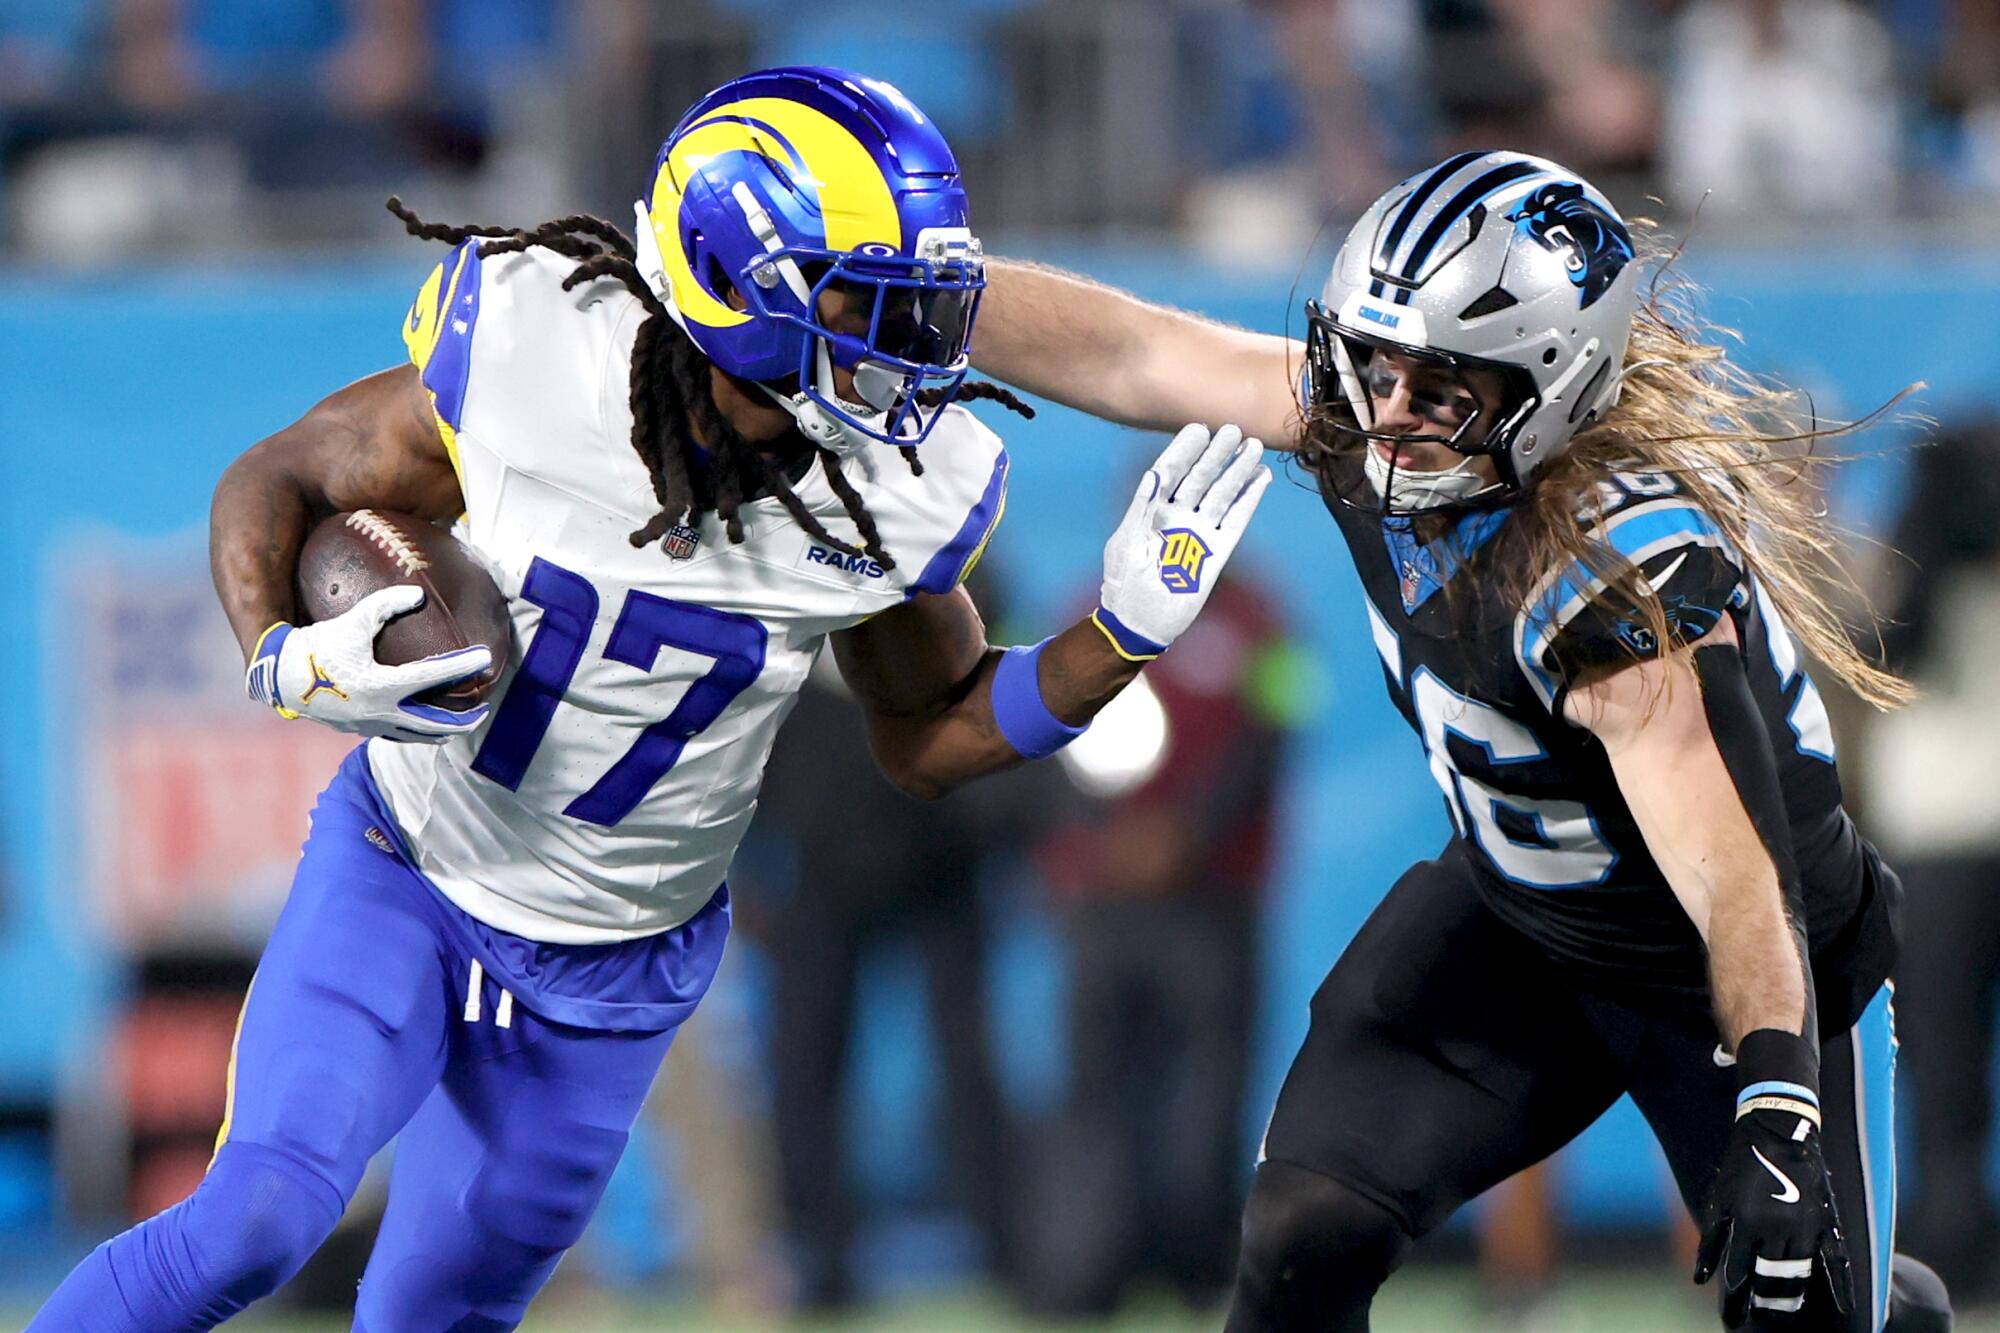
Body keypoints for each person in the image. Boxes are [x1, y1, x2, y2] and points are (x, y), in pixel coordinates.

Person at [26, 65, 1271, 1331]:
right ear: (734, 286)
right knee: (257, 1219)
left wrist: (1115, 636)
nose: (913, 343)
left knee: (434, 1318)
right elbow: (279, 474)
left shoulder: (896, 487)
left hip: (617, 965)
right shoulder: (536, 349)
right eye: (864, 296)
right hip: (408, 868)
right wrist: (284, 651)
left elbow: (929, 736)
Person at [971, 151, 1953, 1331]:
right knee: (1303, 1227)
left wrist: (1777, 1106)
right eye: (1375, 367)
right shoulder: (1373, 420)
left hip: (1735, 966)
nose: (1386, 416)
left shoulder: (1602, 575)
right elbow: (1133, 349)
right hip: (1522, 923)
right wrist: (918, 296)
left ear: (1555, 383)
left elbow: (1735, 882)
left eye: (1438, 391)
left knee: (1809, 1311)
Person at [1026, 564, 1296, 1315]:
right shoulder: (1082, 616)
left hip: (1212, 902)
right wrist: (1103, 844)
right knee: (1096, 1091)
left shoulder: (1264, 622)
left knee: (1207, 1094)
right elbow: (1038, 735)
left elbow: (1279, 725)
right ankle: (1087, 1272)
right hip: (1106, 902)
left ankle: (1199, 1265)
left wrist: (1189, 838)